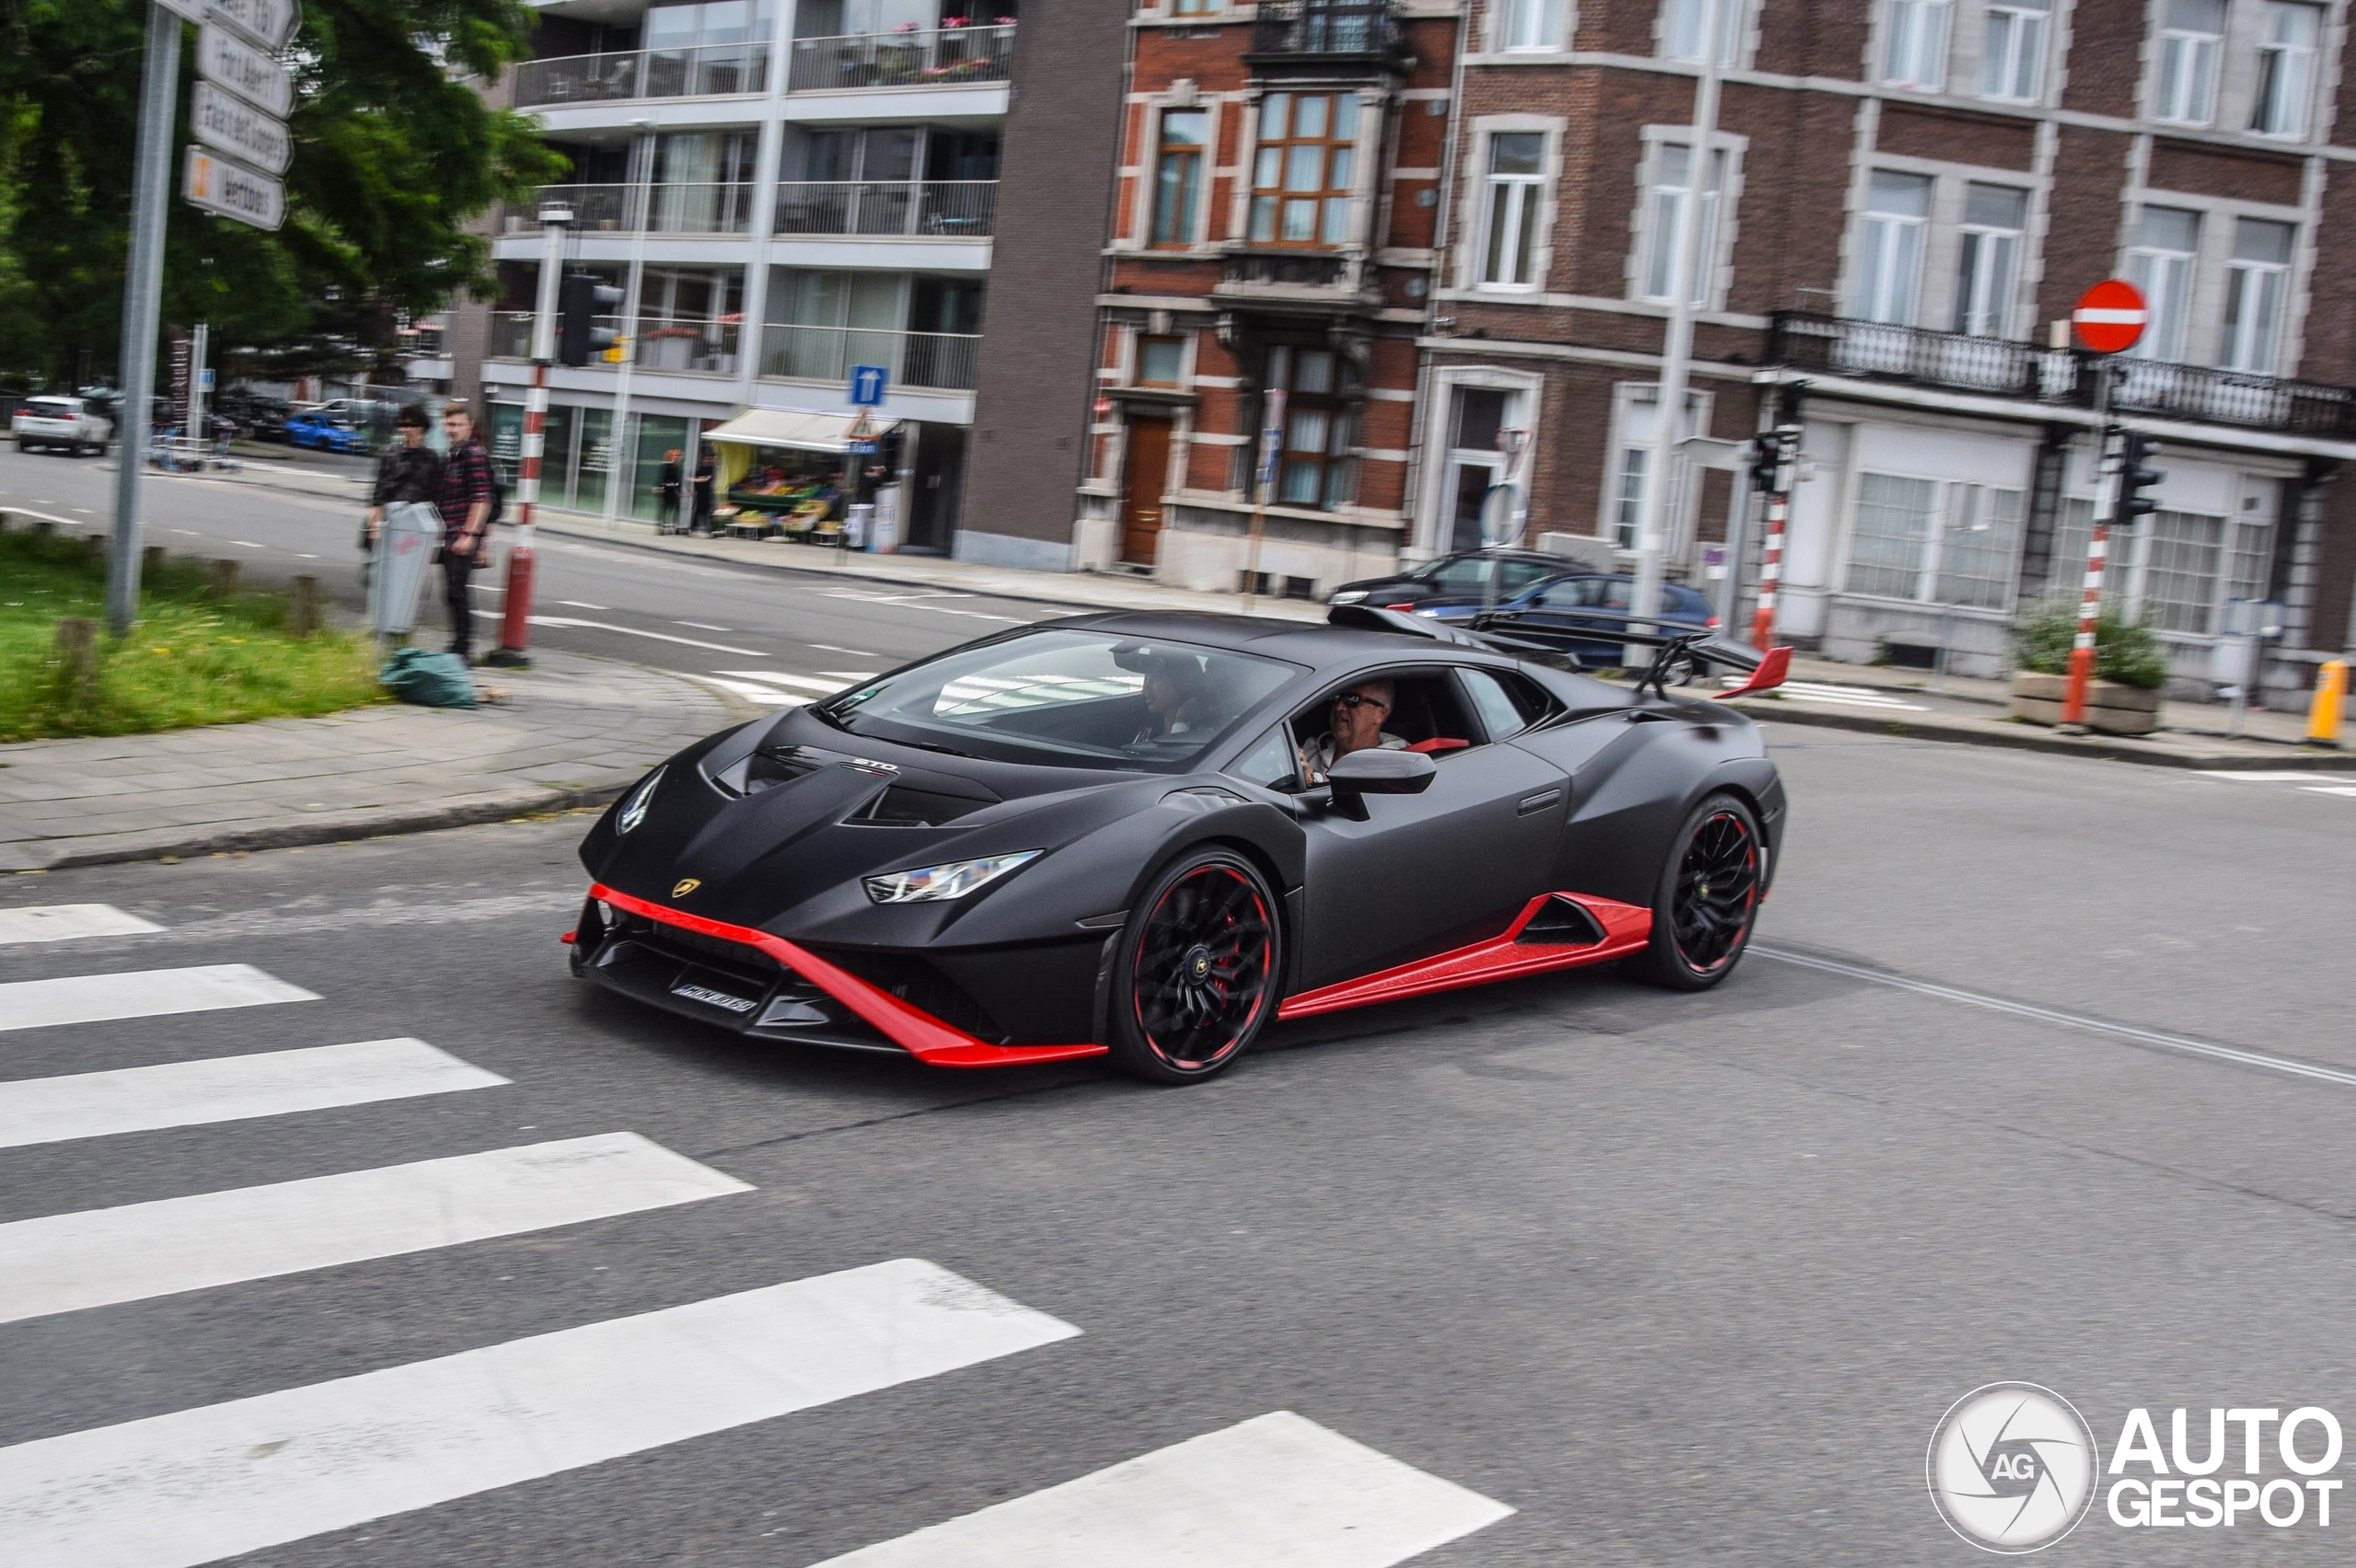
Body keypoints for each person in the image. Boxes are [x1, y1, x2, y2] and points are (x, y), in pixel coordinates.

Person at [436, 401, 498, 663]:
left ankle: (463, 648)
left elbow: (482, 499)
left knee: (458, 591)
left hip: (461, 534)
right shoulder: (456, 453)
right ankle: (457, 644)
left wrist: (470, 535)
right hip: (450, 532)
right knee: (452, 591)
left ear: (470, 426)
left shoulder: (473, 454)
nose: (453, 429)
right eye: (450, 424)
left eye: (458, 424)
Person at [362, 405, 443, 576]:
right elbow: (379, 491)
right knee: (383, 572)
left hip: (416, 523)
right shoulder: (390, 453)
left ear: (422, 428)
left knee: (408, 572)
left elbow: (434, 495)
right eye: (402, 425)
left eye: (411, 425)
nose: (405, 430)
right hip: (390, 519)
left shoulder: (432, 458)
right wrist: (374, 526)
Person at [1299, 678, 1408, 783]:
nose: (1338, 707)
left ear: (1380, 714)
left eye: (1352, 699)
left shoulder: (1398, 763)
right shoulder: (1310, 748)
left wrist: (1315, 779)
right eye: (1336, 697)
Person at [689, 447, 716, 535]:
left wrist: (699, 479)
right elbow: (700, 479)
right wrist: (701, 479)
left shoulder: (711, 469)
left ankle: (706, 527)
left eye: (710, 459)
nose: (708, 461)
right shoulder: (702, 469)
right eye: (706, 459)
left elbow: (706, 479)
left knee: (707, 509)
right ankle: (697, 526)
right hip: (702, 492)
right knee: (700, 509)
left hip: (708, 492)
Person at [656, 449, 682, 532]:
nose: (678, 458)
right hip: (667, 490)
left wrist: (679, 488)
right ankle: (662, 526)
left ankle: (674, 526)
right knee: (665, 508)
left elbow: (677, 480)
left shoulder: (676, 467)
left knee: (675, 508)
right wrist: (662, 486)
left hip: (673, 490)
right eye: (676, 456)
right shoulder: (666, 466)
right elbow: (662, 478)